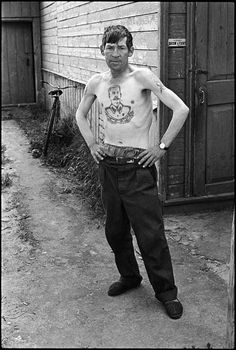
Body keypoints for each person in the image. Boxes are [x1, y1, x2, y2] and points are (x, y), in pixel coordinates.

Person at [76, 25, 189, 319]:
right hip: (109, 167)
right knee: (115, 230)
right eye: (110, 47)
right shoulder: (96, 83)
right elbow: (80, 113)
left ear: (130, 50)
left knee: (150, 234)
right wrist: (91, 144)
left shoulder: (142, 77)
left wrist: (161, 147)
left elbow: (181, 109)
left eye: (121, 47)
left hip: (138, 168)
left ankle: (166, 292)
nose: (115, 53)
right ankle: (130, 276)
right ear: (102, 50)